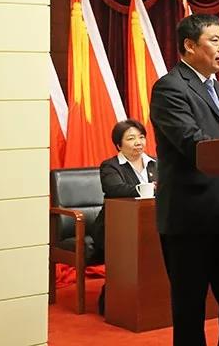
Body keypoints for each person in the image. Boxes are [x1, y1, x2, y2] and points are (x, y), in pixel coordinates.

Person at [150, 13, 219, 346]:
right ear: (190, 45)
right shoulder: (170, 88)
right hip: (191, 218)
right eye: (214, 40)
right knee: (190, 310)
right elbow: (192, 142)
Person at [92, 119, 157, 315]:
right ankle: (113, 300)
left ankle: (153, 301)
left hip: (150, 224)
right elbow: (115, 189)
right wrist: (149, 188)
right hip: (114, 227)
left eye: (141, 137)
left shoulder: (155, 164)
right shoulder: (110, 166)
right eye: (131, 138)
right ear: (119, 145)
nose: (138, 142)